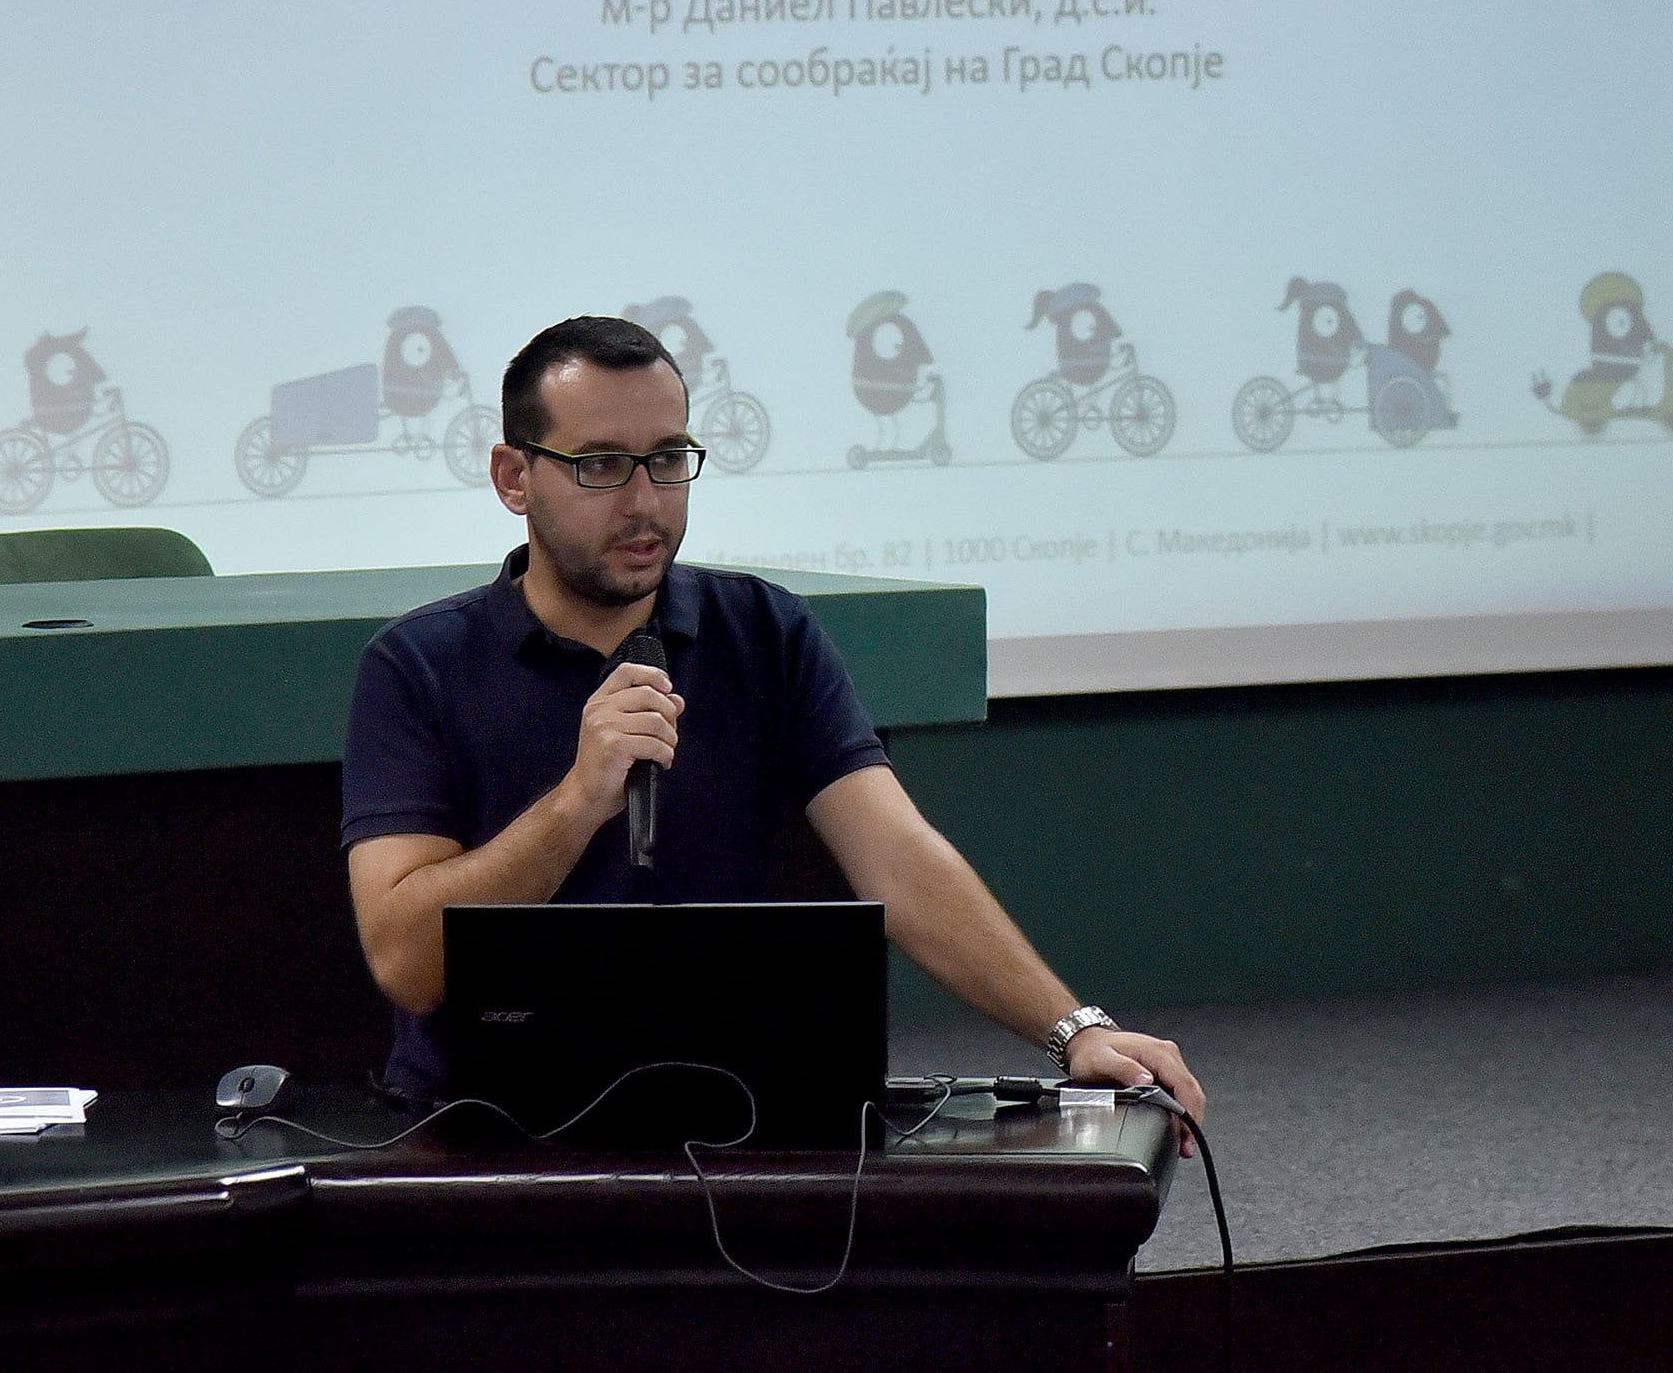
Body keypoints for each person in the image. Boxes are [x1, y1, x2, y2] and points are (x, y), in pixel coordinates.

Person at [343, 313, 1204, 1130]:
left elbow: (899, 860)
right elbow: (408, 964)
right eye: (601, 465)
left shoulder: (765, 632)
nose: (645, 502)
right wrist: (577, 802)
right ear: (514, 477)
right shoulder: (418, 665)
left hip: (734, 1107)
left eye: (668, 459)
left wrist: (1074, 1031)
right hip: (484, 1122)